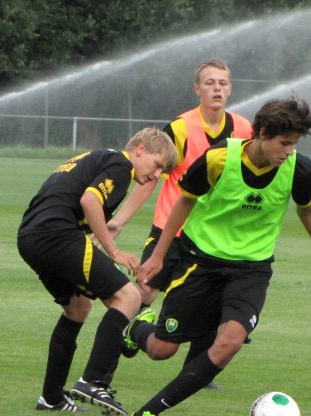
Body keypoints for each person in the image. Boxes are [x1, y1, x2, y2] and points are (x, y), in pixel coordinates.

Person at [123, 96, 311, 416]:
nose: (288, 151)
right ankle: (138, 329)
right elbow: (184, 202)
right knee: (162, 349)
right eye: (284, 143)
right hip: (199, 262)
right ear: (261, 134)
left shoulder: (299, 168)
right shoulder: (219, 158)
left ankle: (148, 412)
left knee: (230, 342)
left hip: (251, 270)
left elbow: (308, 211)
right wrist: (159, 255)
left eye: (294, 144)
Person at [108, 58, 253, 388]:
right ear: (197, 89)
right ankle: (108, 359)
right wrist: (119, 221)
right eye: (210, 83)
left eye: (223, 83)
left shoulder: (244, 128)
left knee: (210, 298)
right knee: (142, 293)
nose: (217, 88)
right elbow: (151, 177)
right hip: (169, 231)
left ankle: (198, 372)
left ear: (230, 89)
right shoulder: (181, 127)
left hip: (210, 235)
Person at [17, 128, 175, 416]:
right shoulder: (122, 166)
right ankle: (94, 381)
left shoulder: (98, 158)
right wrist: (114, 252)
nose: (156, 175)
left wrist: (93, 239)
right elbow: (89, 201)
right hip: (56, 235)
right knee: (127, 296)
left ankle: (52, 397)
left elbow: (71, 198)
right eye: (157, 165)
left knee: (78, 307)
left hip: (30, 237)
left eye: (163, 171)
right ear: (140, 148)